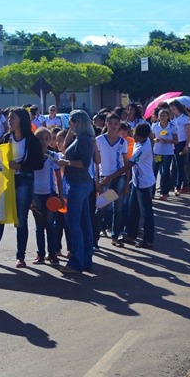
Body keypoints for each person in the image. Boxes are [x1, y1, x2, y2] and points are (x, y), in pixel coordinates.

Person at [0, 107, 43, 268]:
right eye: (8, 117)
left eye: (12, 117)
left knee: (21, 219)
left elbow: (39, 163)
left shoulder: (31, 140)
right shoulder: (6, 137)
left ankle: (20, 257)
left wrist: (20, 166)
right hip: (6, 181)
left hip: (24, 180)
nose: (9, 120)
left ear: (21, 120)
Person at [56, 110, 95, 274]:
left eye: (71, 121)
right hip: (80, 183)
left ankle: (77, 261)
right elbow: (65, 148)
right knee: (84, 223)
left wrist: (67, 163)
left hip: (78, 183)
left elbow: (85, 163)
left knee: (75, 223)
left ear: (77, 123)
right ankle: (85, 259)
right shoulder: (81, 138)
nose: (69, 124)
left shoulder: (83, 140)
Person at [110, 122, 156, 249]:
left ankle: (148, 240)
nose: (134, 137)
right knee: (133, 209)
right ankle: (131, 234)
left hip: (144, 183)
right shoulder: (142, 141)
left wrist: (111, 177)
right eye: (134, 134)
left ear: (143, 137)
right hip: (137, 181)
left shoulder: (142, 149)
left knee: (146, 213)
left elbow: (128, 166)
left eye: (137, 136)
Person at [29, 128, 63, 265]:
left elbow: (58, 178)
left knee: (50, 225)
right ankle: (40, 254)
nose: (43, 142)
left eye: (46, 139)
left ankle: (52, 253)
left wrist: (60, 196)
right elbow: (28, 177)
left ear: (50, 141)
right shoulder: (31, 156)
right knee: (39, 226)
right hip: (36, 195)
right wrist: (29, 198)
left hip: (50, 195)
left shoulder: (53, 156)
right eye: (40, 139)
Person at [95, 114, 128, 242]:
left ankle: (115, 235)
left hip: (119, 178)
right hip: (105, 178)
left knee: (118, 208)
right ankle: (94, 238)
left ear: (119, 125)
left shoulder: (123, 142)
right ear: (106, 124)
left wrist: (127, 183)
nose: (113, 126)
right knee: (101, 208)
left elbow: (126, 164)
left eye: (116, 123)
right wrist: (97, 180)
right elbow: (96, 163)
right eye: (111, 123)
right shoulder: (99, 140)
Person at [150, 108, 177, 201]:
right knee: (154, 171)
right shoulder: (154, 126)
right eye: (160, 115)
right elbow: (151, 138)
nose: (162, 117)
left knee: (165, 172)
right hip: (157, 152)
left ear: (168, 116)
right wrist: (155, 140)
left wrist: (169, 141)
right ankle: (151, 192)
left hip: (167, 153)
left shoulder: (172, 126)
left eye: (164, 115)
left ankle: (164, 192)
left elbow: (176, 140)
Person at [168, 101, 190, 194]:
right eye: (171, 110)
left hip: (182, 142)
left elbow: (188, 132)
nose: (173, 111)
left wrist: (186, 145)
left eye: (174, 109)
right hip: (174, 143)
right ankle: (176, 184)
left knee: (181, 165)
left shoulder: (185, 118)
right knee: (175, 165)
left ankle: (180, 185)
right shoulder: (173, 118)